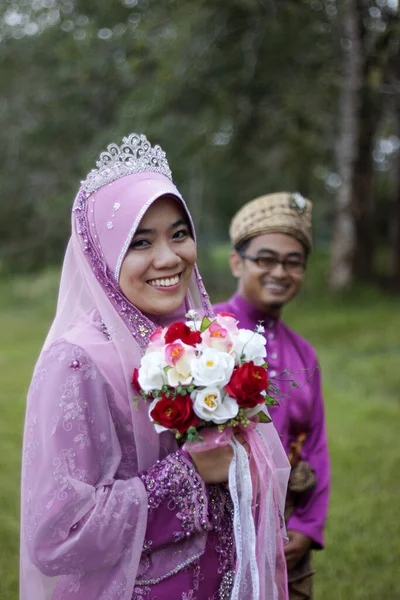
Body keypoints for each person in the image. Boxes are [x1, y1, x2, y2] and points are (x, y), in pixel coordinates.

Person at [20, 134, 290, 600]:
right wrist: (189, 474)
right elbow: (58, 535)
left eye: (179, 233)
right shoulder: (78, 361)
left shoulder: (207, 338)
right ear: (102, 255)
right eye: (139, 241)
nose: (169, 258)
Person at [213, 192, 330, 600]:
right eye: (265, 258)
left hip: (286, 531)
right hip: (220, 529)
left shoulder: (304, 353)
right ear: (236, 261)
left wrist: (306, 527)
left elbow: (315, 445)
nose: (280, 271)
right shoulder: (208, 335)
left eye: (293, 262)